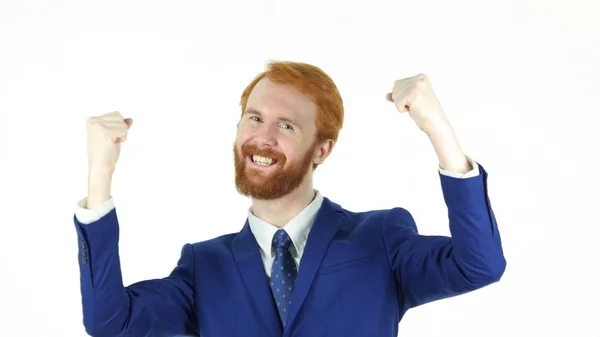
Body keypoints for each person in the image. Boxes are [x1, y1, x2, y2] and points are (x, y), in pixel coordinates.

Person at [74, 61, 506, 337]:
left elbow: (480, 265)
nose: (262, 136)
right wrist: (100, 177)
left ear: (322, 150)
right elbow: (110, 323)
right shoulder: (203, 267)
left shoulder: (380, 238)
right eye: (255, 118)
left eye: (286, 126)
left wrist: (440, 133)